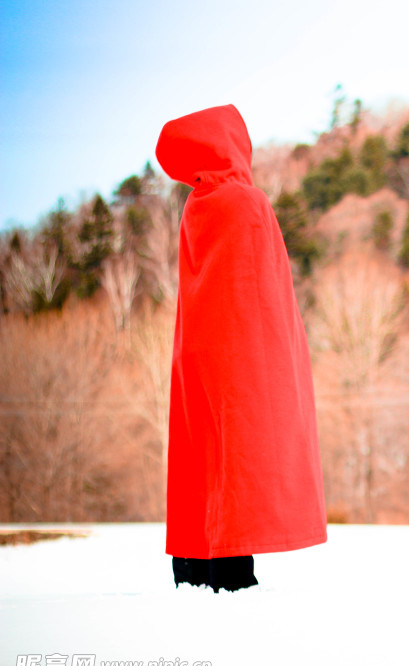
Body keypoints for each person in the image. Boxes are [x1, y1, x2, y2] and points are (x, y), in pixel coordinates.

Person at [155, 104, 327, 592]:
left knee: (203, 458)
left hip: (198, 352)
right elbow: (261, 291)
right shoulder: (246, 202)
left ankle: (193, 569)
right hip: (242, 353)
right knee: (241, 456)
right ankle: (231, 579)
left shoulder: (198, 205)